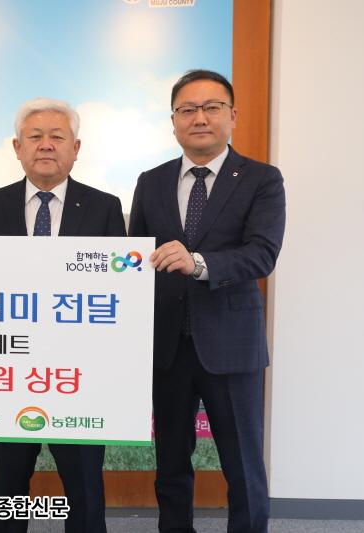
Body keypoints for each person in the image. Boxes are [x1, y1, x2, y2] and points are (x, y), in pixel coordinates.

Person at [128, 70, 286, 532]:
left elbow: (262, 254)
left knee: (242, 464)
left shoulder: (261, 179)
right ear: (173, 121)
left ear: (232, 116)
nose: (199, 118)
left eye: (211, 107)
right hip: (167, 347)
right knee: (171, 463)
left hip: (231, 346)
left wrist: (197, 263)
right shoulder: (151, 181)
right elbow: (136, 259)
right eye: (187, 109)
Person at [0, 97, 126, 533]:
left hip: (79, 376)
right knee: (8, 483)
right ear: (16, 147)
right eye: (35, 136)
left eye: (57, 137)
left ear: (76, 148)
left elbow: (120, 296)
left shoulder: (104, 208)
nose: (45, 145)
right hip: (9, 371)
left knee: (84, 486)